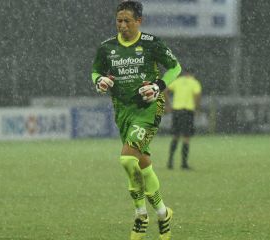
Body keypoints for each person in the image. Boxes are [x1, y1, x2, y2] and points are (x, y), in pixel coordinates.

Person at [91, 1, 181, 239]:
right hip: (122, 111)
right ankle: (163, 213)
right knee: (142, 162)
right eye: (119, 21)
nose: (122, 26)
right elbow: (95, 71)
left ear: (138, 21)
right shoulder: (107, 47)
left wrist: (158, 85)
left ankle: (140, 215)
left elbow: (175, 67)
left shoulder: (152, 44)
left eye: (127, 21)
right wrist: (99, 81)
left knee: (127, 159)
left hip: (149, 108)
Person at [164, 69, 202, 170]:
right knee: (186, 137)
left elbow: (165, 90)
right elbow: (197, 95)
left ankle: (170, 162)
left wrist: (168, 105)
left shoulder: (178, 81)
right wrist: (197, 108)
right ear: (193, 74)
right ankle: (184, 164)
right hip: (187, 112)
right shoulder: (194, 82)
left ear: (184, 73)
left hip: (176, 111)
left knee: (175, 136)